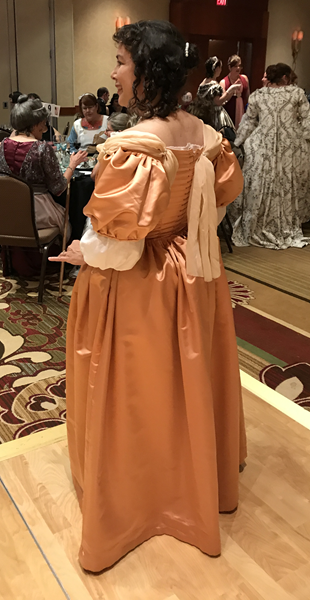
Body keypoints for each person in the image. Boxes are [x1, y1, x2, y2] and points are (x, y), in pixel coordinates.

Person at [50, 20, 246, 573]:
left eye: (121, 61)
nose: (113, 71)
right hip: (193, 271)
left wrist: (83, 255)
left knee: (137, 387)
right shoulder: (206, 135)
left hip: (138, 284)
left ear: (147, 71)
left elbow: (117, 244)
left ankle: (139, 493)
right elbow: (218, 205)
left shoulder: (132, 146)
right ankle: (189, 475)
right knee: (182, 374)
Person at [0, 95, 87, 275]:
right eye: (43, 123)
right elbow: (59, 188)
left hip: (8, 212)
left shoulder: (2, 144)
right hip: (37, 212)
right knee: (69, 217)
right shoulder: (42, 148)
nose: (45, 127)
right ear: (35, 124)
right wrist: (72, 164)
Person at [231, 63, 310, 249]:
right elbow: (307, 121)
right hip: (289, 147)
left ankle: (258, 224)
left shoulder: (258, 95)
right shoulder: (296, 94)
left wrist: (237, 143)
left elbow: (248, 123)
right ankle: (283, 223)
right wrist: (305, 139)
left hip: (262, 146)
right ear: (285, 78)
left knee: (261, 183)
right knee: (285, 182)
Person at [198, 56, 241, 134]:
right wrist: (230, 89)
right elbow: (218, 102)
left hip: (203, 112)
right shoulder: (214, 84)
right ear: (216, 68)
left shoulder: (203, 82)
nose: (221, 70)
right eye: (220, 67)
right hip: (214, 116)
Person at [220, 55, 250, 128]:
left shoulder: (244, 78)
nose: (238, 68)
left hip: (242, 111)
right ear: (230, 67)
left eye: (239, 66)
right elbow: (223, 101)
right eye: (235, 66)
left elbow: (248, 96)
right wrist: (232, 89)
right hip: (230, 113)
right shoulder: (223, 82)